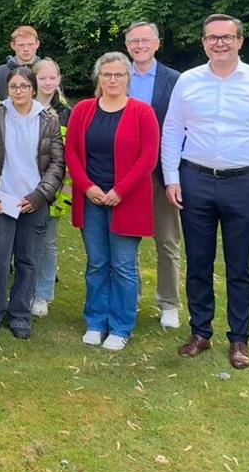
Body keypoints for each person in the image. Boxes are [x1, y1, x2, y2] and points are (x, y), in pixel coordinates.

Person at [161, 14, 249, 370]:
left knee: (239, 264)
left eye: (227, 37)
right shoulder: (188, 82)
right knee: (198, 262)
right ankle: (200, 332)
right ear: (203, 42)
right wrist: (171, 177)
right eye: (212, 37)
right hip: (195, 180)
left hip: (241, 183)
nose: (219, 43)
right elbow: (172, 130)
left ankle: (239, 339)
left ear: (240, 41)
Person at [66, 52, 160, 351]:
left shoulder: (142, 112)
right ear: (99, 78)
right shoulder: (82, 110)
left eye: (119, 74)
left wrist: (120, 190)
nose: (112, 80)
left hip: (126, 199)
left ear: (127, 78)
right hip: (91, 197)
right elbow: (72, 154)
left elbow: (148, 157)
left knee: (123, 265)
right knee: (96, 264)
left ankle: (121, 326)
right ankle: (95, 321)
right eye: (107, 74)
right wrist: (86, 186)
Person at [0, 66, 64, 339]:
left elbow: (58, 162)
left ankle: (20, 314)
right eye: (13, 86)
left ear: (33, 89)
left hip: (33, 202)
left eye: (24, 86)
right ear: (7, 89)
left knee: (28, 261)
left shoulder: (48, 119)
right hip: (2, 201)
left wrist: (40, 195)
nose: (18, 91)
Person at [124, 21, 183, 329]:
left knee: (167, 241)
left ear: (157, 44)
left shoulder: (174, 81)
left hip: (162, 173)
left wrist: (175, 174)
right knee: (126, 240)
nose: (140, 46)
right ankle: (128, 296)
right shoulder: (118, 77)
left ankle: (169, 302)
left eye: (146, 40)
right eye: (134, 41)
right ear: (127, 46)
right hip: (125, 174)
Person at [30, 58, 72, 317]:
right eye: (42, 78)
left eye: (52, 78)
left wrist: (62, 191)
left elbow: (71, 155)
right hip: (24, 186)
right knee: (24, 243)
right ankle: (25, 289)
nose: (47, 82)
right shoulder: (23, 107)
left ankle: (43, 294)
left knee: (47, 243)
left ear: (58, 79)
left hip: (54, 189)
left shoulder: (68, 113)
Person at [0, 25, 42, 101]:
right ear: (13, 46)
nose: (26, 49)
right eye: (21, 45)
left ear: (37, 44)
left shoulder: (48, 72)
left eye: (30, 44)